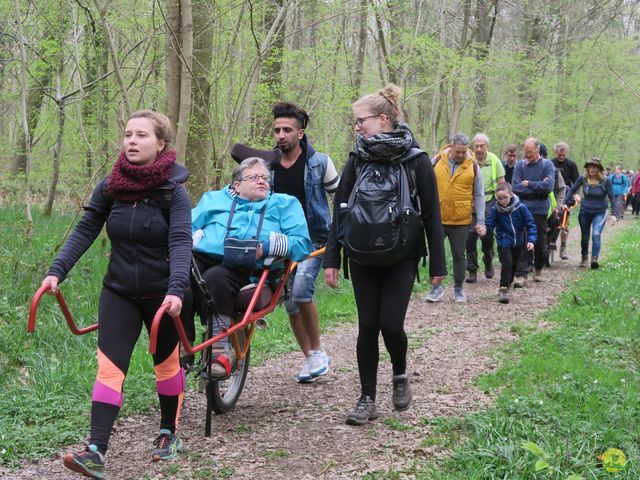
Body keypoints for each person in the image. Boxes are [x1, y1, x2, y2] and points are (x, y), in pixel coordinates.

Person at [41, 110, 192, 479]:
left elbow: (181, 242)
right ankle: (96, 450)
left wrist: (176, 291)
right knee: (109, 368)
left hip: (163, 296)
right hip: (119, 291)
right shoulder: (112, 184)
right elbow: (87, 227)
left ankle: (168, 432)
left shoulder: (174, 190)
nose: (131, 141)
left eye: (141, 135)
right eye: (127, 134)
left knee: (166, 365)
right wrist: (55, 271)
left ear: (161, 143)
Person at [323, 84, 446, 425]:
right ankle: (366, 398)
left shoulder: (417, 161)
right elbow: (341, 210)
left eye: (361, 120)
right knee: (367, 326)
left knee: (391, 325)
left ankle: (400, 374)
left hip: (402, 254)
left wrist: (438, 262)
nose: (357, 127)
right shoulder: (357, 159)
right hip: (361, 254)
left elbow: (433, 213)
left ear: (383, 119)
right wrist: (332, 259)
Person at [190, 157, 312, 375]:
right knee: (182, 271)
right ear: (236, 185)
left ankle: (221, 349)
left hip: (252, 272)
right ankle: (182, 342)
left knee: (215, 277)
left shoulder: (285, 203)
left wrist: (265, 248)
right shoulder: (213, 200)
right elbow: (185, 228)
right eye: (254, 177)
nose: (262, 181)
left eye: (265, 177)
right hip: (205, 261)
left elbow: (302, 245)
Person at [271, 102, 339, 383]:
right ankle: (309, 356)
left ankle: (318, 351)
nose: (280, 135)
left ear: (300, 134)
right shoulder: (268, 165)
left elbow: (341, 198)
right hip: (280, 242)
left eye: (287, 130)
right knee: (289, 303)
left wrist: (340, 237)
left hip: (315, 240)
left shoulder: (319, 163)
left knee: (300, 290)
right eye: (276, 130)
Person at [427, 133, 485, 303]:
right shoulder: (436, 161)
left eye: (463, 152)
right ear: (450, 147)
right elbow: (423, 184)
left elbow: (479, 195)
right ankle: (436, 288)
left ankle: (459, 288)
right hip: (437, 216)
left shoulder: (473, 166)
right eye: (458, 151)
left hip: (460, 219)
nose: (460, 155)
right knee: (435, 253)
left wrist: (480, 221)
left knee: (459, 254)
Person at [512, 137, 555, 284]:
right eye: (526, 152)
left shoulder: (547, 165)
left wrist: (528, 184)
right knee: (522, 240)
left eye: (530, 152)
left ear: (537, 150)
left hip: (540, 210)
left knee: (540, 242)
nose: (528, 155)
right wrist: (537, 187)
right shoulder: (520, 165)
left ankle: (538, 269)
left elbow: (548, 188)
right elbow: (516, 188)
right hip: (522, 209)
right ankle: (522, 274)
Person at [485, 182, 536, 304]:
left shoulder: (521, 208)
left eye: (505, 197)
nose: (502, 201)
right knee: (507, 263)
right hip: (504, 241)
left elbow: (530, 224)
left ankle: (508, 282)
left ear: (511, 195)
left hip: (518, 242)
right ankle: (503, 288)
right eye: (499, 198)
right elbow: (490, 224)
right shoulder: (495, 210)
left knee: (513, 265)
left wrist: (531, 240)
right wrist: (484, 230)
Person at [465, 133, 505, 283]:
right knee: (469, 236)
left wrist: (501, 203)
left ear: (487, 147)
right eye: (476, 146)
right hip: (470, 202)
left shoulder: (494, 160)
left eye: (482, 146)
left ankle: (488, 260)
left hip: (490, 201)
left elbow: (502, 184)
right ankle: (472, 270)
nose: (479, 149)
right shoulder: (468, 160)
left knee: (486, 235)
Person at [565, 157, 616, 269]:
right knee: (585, 236)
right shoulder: (583, 179)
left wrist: (614, 214)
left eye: (594, 167)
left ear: (599, 169)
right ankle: (584, 258)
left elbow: (612, 197)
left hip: (600, 212)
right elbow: (572, 190)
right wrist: (565, 203)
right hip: (585, 212)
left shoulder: (605, 181)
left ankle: (594, 259)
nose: (591, 170)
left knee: (596, 234)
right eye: (589, 167)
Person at [551, 142, 578, 259]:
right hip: (552, 194)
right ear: (556, 153)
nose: (561, 157)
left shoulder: (571, 164)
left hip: (566, 195)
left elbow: (577, 182)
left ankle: (563, 247)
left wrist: (577, 194)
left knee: (564, 224)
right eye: (559, 154)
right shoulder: (551, 163)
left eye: (563, 154)